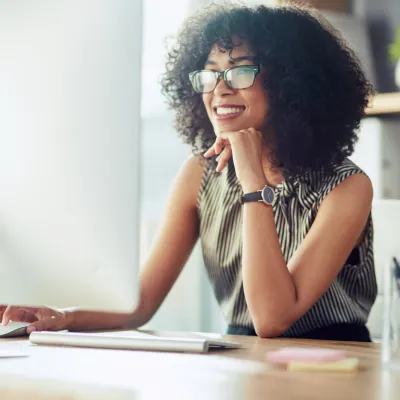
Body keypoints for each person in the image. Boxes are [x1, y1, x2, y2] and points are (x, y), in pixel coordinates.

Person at [1, 2, 377, 341]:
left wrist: (252, 183)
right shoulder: (199, 174)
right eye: (209, 75)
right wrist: (60, 316)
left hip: (335, 361)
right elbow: (140, 303)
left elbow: (273, 319)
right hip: (244, 359)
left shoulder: (347, 186)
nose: (220, 90)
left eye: (240, 72)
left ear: (293, 84)